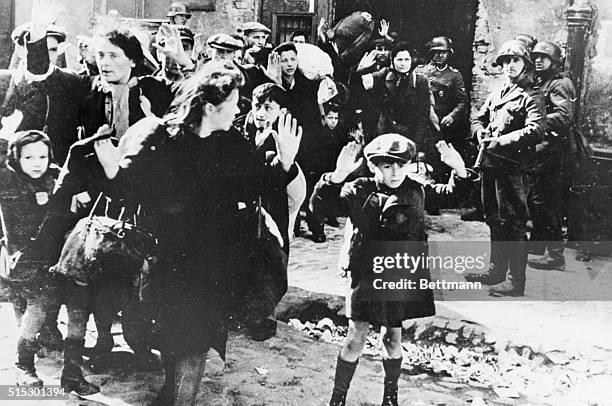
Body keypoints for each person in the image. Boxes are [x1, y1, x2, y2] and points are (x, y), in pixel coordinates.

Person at [93, 61, 302, 405]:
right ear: (209, 108)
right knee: (178, 338)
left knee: (195, 341)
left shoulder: (232, 143)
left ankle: (177, 398)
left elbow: (256, 186)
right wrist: (114, 172)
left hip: (215, 261)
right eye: (234, 103)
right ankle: (174, 395)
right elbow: (129, 193)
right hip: (169, 259)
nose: (239, 109)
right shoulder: (163, 139)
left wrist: (284, 162)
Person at [310, 134, 473, 406]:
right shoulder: (358, 189)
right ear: (375, 166)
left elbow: (453, 194)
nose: (395, 172)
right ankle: (337, 400)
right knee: (355, 336)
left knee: (392, 337)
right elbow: (319, 207)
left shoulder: (417, 190)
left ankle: (390, 398)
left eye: (401, 164)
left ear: (410, 164)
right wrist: (337, 176)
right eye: (387, 166)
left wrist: (459, 170)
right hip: (365, 274)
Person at [464, 40, 545, 297]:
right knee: (493, 217)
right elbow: (477, 117)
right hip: (491, 164)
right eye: (505, 62)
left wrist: (502, 140)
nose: (509, 66)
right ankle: (496, 271)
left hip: (514, 168)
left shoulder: (531, 95)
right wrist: (479, 134)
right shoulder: (498, 92)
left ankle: (514, 281)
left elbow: (536, 129)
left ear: (526, 65)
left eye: (515, 61)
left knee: (514, 222)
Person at [0, 131, 59, 387]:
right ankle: (23, 366)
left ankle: (42, 338)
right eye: (29, 157)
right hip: (20, 256)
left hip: (47, 255)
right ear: (16, 158)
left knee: (32, 307)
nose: (37, 162)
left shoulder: (53, 178)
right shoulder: (8, 179)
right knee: (36, 305)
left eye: (42, 156)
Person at [527, 40, 576, 271]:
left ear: (554, 61)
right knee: (537, 198)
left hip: (557, 152)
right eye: (535, 56)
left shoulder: (560, 84)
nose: (538, 60)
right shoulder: (541, 80)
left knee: (548, 202)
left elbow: (564, 116)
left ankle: (556, 256)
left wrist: (536, 121)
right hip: (544, 150)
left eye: (543, 57)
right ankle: (537, 246)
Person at [273, 41, 327, 242]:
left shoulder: (307, 84)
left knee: (311, 186)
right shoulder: (274, 84)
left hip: (305, 143)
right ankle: (292, 226)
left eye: (292, 59)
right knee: (288, 185)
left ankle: (316, 227)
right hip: (284, 143)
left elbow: (313, 116)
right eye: (284, 60)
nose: (289, 64)